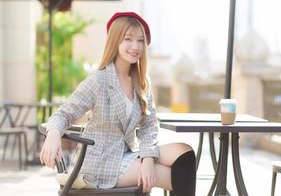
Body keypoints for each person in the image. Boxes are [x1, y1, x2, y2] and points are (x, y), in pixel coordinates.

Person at [39, 12, 196, 196]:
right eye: (128, 39)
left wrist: (147, 158)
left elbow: (150, 126)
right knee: (174, 175)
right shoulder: (99, 80)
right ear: (115, 41)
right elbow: (63, 114)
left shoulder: (142, 82)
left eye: (140, 40)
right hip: (101, 164)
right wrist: (53, 134)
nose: (135, 46)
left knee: (185, 152)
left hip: (128, 154)